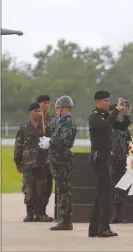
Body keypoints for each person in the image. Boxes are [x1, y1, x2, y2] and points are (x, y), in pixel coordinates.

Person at [88, 90, 124, 238]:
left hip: (105, 157)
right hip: (99, 157)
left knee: (101, 194)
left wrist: (125, 114)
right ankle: (103, 227)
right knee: (105, 194)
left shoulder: (105, 116)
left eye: (109, 101)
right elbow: (105, 125)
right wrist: (116, 110)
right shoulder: (94, 117)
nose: (108, 103)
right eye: (105, 101)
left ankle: (94, 228)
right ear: (97, 102)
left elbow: (121, 126)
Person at [40, 96, 77, 230]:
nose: (56, 111)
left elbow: (63, 141)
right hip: (58, 161)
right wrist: (50, 140)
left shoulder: (68, 123)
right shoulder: (63, 122)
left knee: (64, 191)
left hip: (61, 161)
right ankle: (64, 219)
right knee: (62, 191)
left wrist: (50, 142)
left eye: (57, 109)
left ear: (62, 108)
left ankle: (66, 221)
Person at [14, 103, 47, 222]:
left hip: (42, 163)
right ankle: (29, 213)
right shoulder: (24, 127)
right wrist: (18, 162)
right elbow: (18, 145)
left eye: (39, 111)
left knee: (41, 189)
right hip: (28, 164)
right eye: (36, 111)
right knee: (29, 189)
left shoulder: (44, 126)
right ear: (30, 112)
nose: (38, 113)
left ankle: (41, 213)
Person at [109, 102, 132, 223]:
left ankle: (118, 215)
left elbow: (129, 142)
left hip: (122, 161)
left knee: (122, 188)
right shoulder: (107, 126)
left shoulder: (122, 128)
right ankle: (110, 215)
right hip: (110, 162)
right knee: (111, 187)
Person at [36, 94, 56, 222]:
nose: (46, 106)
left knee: (48, 187)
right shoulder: (34, 120)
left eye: (48, 103)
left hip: (49, 159)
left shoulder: (52, 120)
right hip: (36, 159)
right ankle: (36, 212)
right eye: (44, 103)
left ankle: (42, 211)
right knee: (37, 188)